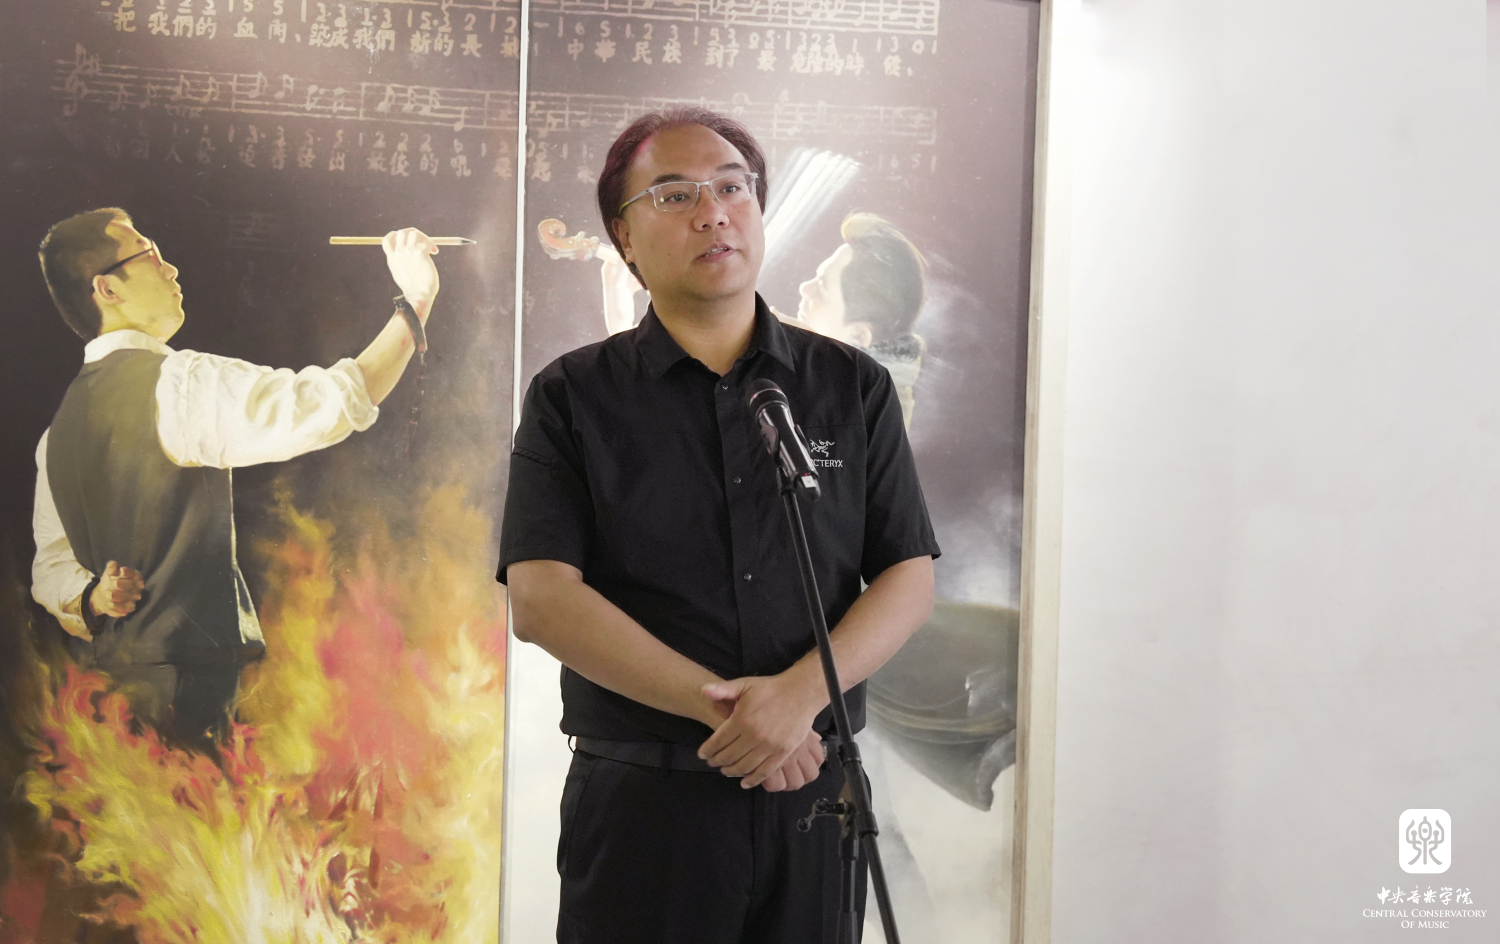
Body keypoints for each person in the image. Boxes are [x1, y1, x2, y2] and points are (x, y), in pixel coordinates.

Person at [498, 108, 939, 943]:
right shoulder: (572, 396)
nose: (714, 213)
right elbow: (543, 599)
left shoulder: (849, 384)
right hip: (647, 804)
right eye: (676, 196)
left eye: (733, 188)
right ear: (624, 238)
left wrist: (799, 698)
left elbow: (907, 575)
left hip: (816, 796)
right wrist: (731, 714)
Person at [31, 208, 440, 751]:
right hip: (193, 691)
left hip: (113, 697)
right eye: (151, 254)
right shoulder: (177, 385)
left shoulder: (57, 432)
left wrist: (93, 598)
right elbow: (327, 405)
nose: (171, 269)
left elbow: (50, 568)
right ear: (107, 288)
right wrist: (416, 300)